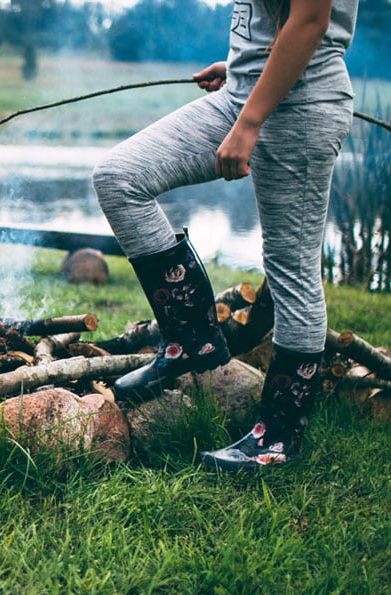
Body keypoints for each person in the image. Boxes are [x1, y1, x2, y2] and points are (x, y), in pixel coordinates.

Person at [91, 0, 357, 471]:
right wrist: (244, 67)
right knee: (119, 176)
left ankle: (278, 437)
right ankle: (189, 339)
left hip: (300, 108)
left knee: (291, 269)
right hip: (244, 94)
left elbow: (312, 19)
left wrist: (251, 120)